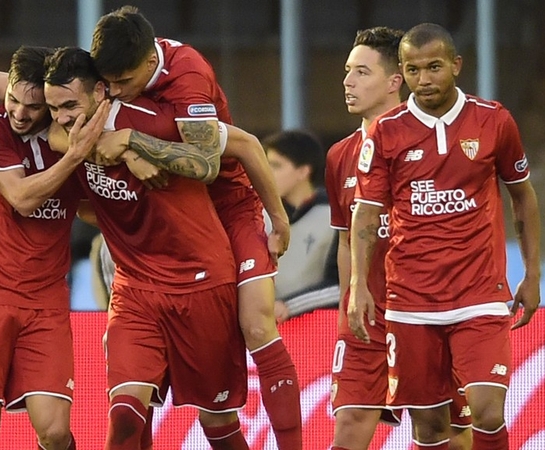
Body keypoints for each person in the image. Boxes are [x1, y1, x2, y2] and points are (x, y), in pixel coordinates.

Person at [90, 7, 302, 448]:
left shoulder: (186, 76)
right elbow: (46, 110)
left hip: (228, 205)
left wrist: (131, 142)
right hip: (171, 231)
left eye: (123, 83)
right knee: (141, 409)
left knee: (257, 327)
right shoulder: (107, 76)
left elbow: (210, 162)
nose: (112, 92)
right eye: (106, 83)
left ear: (150, 64)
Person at [44, 46, 249, 450]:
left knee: (219, 426)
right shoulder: (66, 135)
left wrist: (136, 146)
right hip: (135, 290)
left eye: (70, 105)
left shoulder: (157, 122)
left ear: (103, 91)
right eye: (54, 109)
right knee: (124, 416)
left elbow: (243, 146)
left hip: (201, 282)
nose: (62, 118)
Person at [349, 23, 541, 449]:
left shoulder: (493, 120)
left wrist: (532, 272)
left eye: (434, 67)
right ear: (402, 72)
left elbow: (522, 196)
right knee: (430, 429)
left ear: (456, 65)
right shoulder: (386, 131)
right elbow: (365, 214)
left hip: (480, 293)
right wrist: (359, 285)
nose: (425, 80)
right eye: (413, 70)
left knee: (488, 411)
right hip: (411, 298)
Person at [0, 46, 108, 450]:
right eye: (12, 98)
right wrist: (75, 158)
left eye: (32, 106)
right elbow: (22, 198)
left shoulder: (67, 133)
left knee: (54, 431)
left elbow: (85, 208)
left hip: (45, 297)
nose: (18, 112)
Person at [328, 27, 473, 450]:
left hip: (429, 310)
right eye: (346, 71)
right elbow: (344, 240)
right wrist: (350, 298)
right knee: (350, 421)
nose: (347, 82)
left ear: (395, 81)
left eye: (361, 72)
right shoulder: (341, 155)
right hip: (367, 316)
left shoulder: (436, 142)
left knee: (447, 435)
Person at [262, 130, 338, 321]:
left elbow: (342, 285)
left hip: (316, 331)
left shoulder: (335, 217)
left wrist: (289, 305)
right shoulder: (259, 216)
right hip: (264, 331)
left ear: (303, 171)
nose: (267, 173)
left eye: (276, 166)